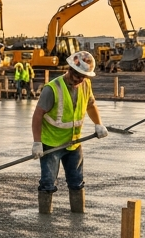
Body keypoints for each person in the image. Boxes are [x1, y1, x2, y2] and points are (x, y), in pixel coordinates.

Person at [31, 51, 107, 214]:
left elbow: (90, 105)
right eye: (77, 75)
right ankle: (44, 221)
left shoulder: (86, 85)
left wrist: (98, 124)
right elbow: (38, 115)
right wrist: (37, 142)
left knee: (77, 181)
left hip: (73, 143)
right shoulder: (52, 89)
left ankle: (78, 214)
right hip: (51, 144)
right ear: (70, 69)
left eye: (83, 76)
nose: (79, 79)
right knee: (48, 183)